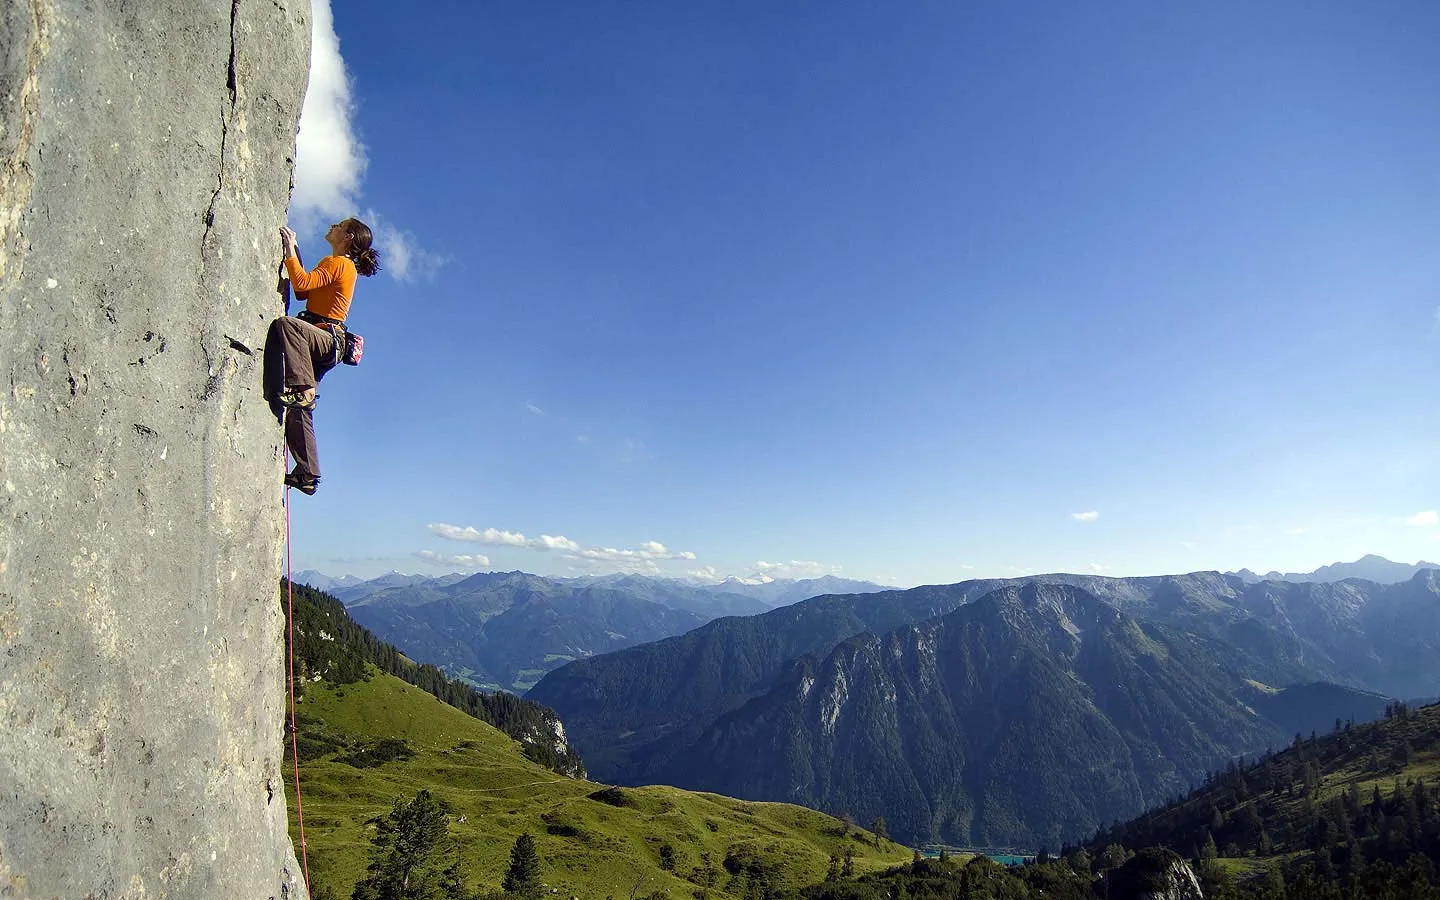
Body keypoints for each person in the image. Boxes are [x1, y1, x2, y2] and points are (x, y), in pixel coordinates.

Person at [263, 217, 381, 495]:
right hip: (325, 343)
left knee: (287, 325)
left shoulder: (338, 263)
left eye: (339, 225)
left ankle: (303, 390)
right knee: (298, 408)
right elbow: (303, 291)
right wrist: (294, 254)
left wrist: (290, 249)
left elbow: (301, 282)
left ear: (348, 236)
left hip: (324, 339)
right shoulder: (340, 265)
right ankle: (307, 473)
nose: (332, 226)